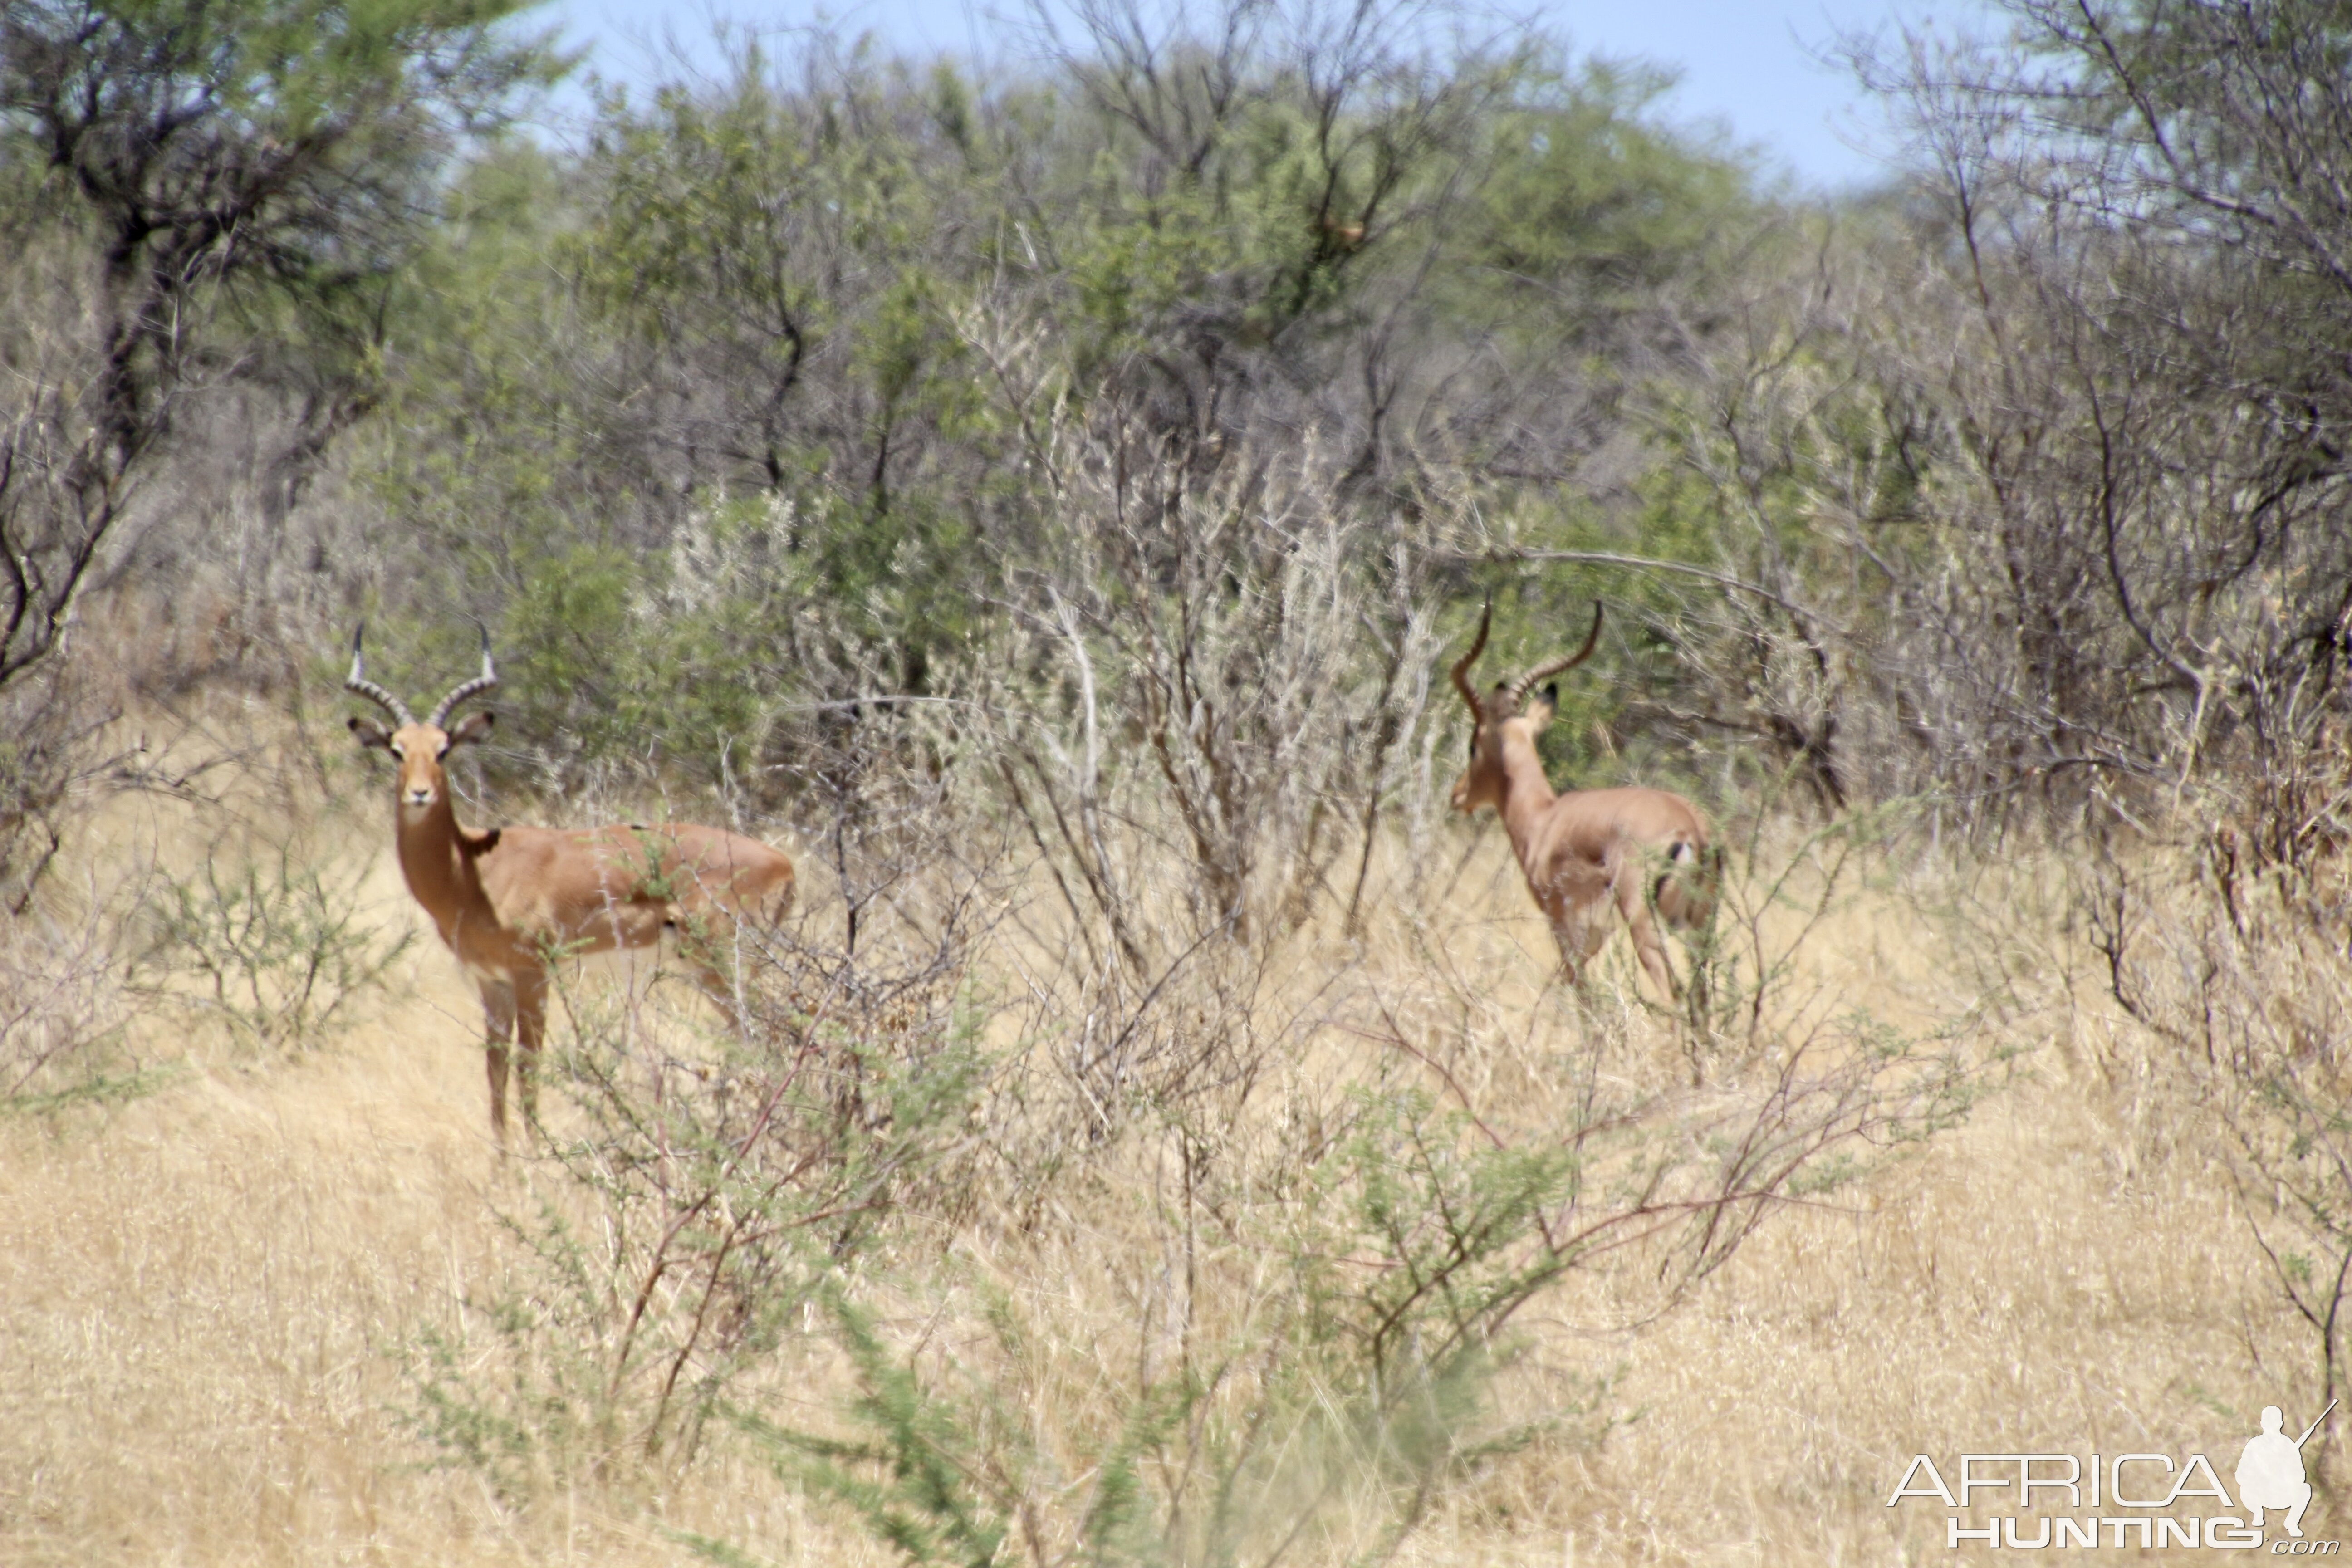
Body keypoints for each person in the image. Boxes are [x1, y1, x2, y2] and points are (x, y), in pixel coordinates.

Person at [2237, 1406, 2313, 1538]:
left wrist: (2284, 1473)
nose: (2271, 1426)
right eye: (2268, 1422)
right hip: (2259, 1495)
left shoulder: (2288, 1445)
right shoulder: (2254, 1444)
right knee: (2245, 1489)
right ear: (2262, 1424)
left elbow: (2301, 1476)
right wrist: (2259, 1477)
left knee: (2305, 1489)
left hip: (2282, 1494)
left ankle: (2292, 1522)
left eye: (2275, 1422)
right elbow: (2241, 1474)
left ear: (2281, 1424)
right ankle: (2258, 1513)